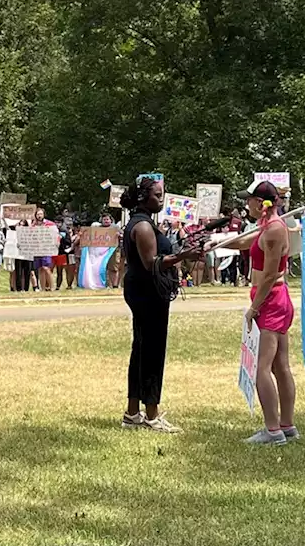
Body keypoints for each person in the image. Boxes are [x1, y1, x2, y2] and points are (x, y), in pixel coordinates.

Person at [218, 179, 298, 445]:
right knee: (280, 366)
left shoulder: (275, 230)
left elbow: (272, 273)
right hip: (274, 299)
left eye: (249, 200)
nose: (245, 204)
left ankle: (273, 429)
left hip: (271, 299)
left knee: (262, 368)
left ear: (260, 203)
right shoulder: (268, 226)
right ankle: (287, 425)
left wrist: (255, 307)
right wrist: (216, 244)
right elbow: (246, 241)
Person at [117, 175, 198, 433]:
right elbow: (152, 262)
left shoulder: (145, 224)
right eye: (158, 195)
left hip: (143, 289)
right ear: (143, 198)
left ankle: (132, 412)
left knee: (141, 349)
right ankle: (151, 414)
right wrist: (183, 256)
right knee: (152, 350)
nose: (162, 199)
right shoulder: (141, 227)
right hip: (146, 292)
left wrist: (182, 250)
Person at [33, 207, 56, 293]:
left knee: (46, 268)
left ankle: (51, 287)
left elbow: (55, 234)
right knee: (40, 269)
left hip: (46, 249)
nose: (39, 216)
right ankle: (42, 289)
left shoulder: (50, 224)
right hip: (37, 249)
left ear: (43, 215)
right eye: (38, 214)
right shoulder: (33, 225)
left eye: (41, 214)